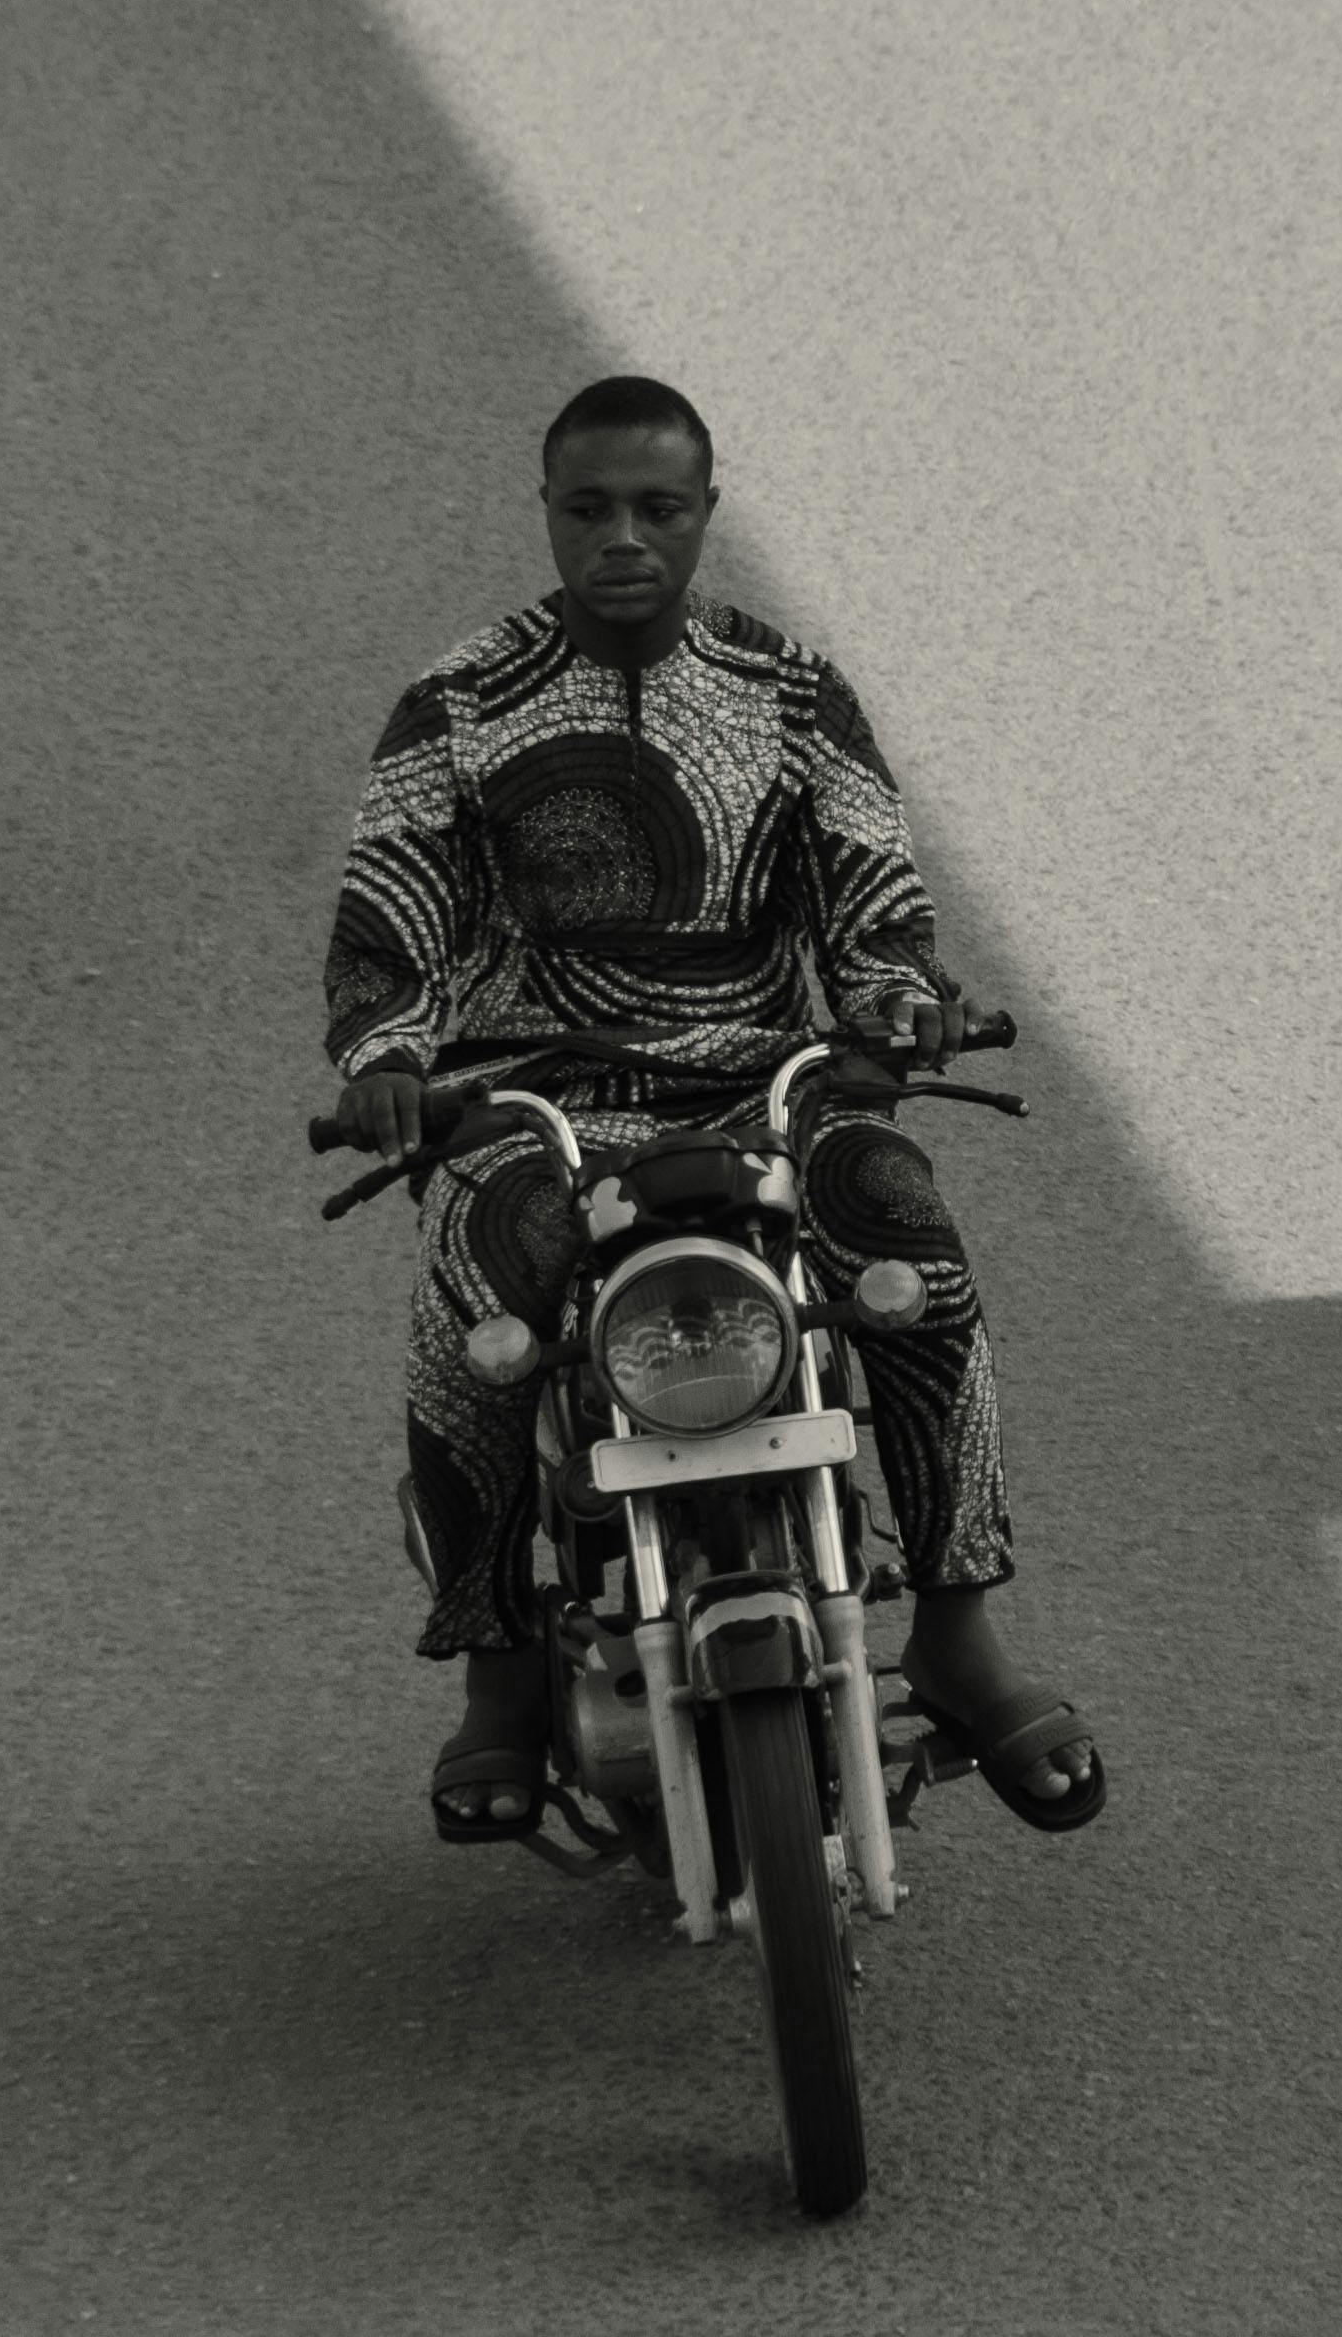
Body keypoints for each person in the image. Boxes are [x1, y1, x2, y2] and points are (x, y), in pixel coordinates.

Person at [325, 380, 1105, 1839]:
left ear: (706, 516)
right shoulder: (459, 705)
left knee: (913, 1251)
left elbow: (873, 889)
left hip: (768, 1092)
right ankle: (497, 1675)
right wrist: (386, 1055)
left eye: (658, 508)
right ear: (547, 509)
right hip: (531, 1107)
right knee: (476, 1314)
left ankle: (955, 1622)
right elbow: (391, 920)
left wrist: (894, 1004)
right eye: (591, 507)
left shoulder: (794, 692)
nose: (624, 536)